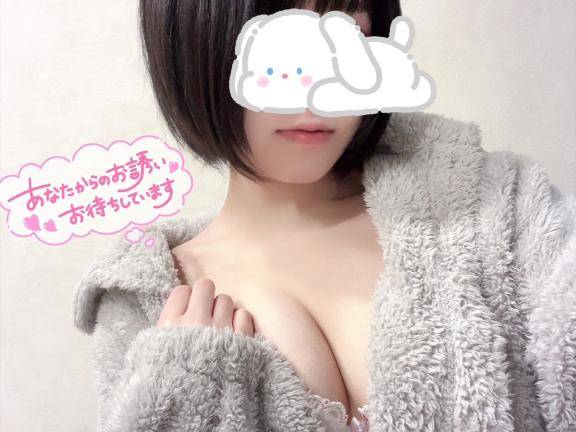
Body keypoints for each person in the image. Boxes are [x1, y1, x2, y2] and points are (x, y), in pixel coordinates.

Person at [72, 0, 576, 431]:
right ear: (193, 44)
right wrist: (182, 399)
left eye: (346, 33)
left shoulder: (498, 210)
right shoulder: (145, 308)